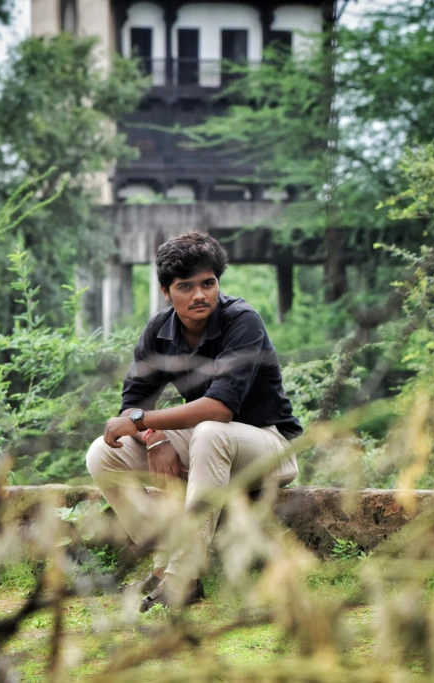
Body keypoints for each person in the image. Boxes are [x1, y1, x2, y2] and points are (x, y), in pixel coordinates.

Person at [86, 231, 302, 611]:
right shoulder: (159, 330)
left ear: (218, 283)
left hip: (270, 447)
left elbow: (219, 409)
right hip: (210, 445)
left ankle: (184, 577)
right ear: (166, 291)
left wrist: (141, 421)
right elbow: (133, 404)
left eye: (208, 283)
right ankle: (163, 561)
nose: (200, 295)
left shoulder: (242, 322)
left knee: (209, 430)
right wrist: (153, 438)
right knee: (102, 454)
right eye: (186, 286)